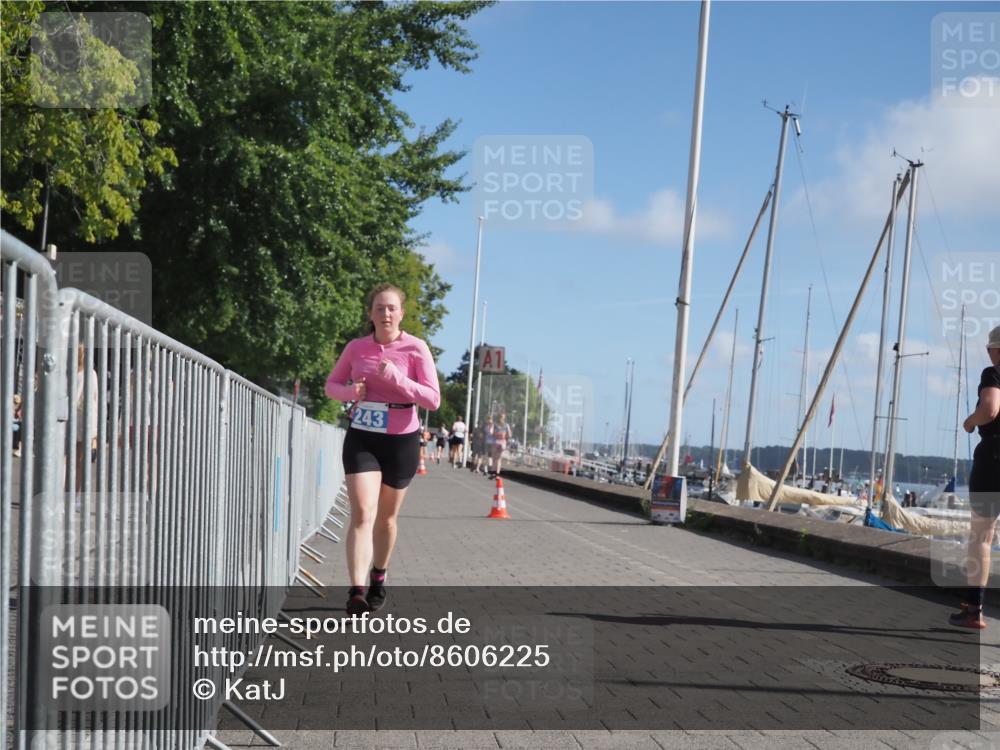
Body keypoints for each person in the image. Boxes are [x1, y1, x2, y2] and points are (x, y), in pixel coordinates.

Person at [325, 284, 440, 615]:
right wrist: (351, 391)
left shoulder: (416, 349)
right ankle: (357, 591)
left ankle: (378, 576)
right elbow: (331, 386)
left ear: (401, 313)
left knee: (386, 520)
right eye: (379, 308)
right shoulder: (357, 348)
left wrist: (397, 379)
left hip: (402, 438)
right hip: (363, 435)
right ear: (371, 313)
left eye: (391, 308)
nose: (385, 313)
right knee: (362, 512)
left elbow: (433, 399)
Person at [950, 325, 1000, 630]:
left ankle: (974, 611)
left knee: (982, 536)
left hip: (994, 461)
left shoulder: (994, 373)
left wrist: (970, 421)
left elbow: (991, 408)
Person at [490, 413, 512, 479]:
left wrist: (495, 434)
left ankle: (493, 473)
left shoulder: (495, 424)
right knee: (499, 459)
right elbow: (510, 434)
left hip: (495, 442)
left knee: (494, 459)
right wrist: (505, 437)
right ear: (504, 418)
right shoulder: (506, 425)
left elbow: (491, 433)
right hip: (502, 442)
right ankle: (497, 474)